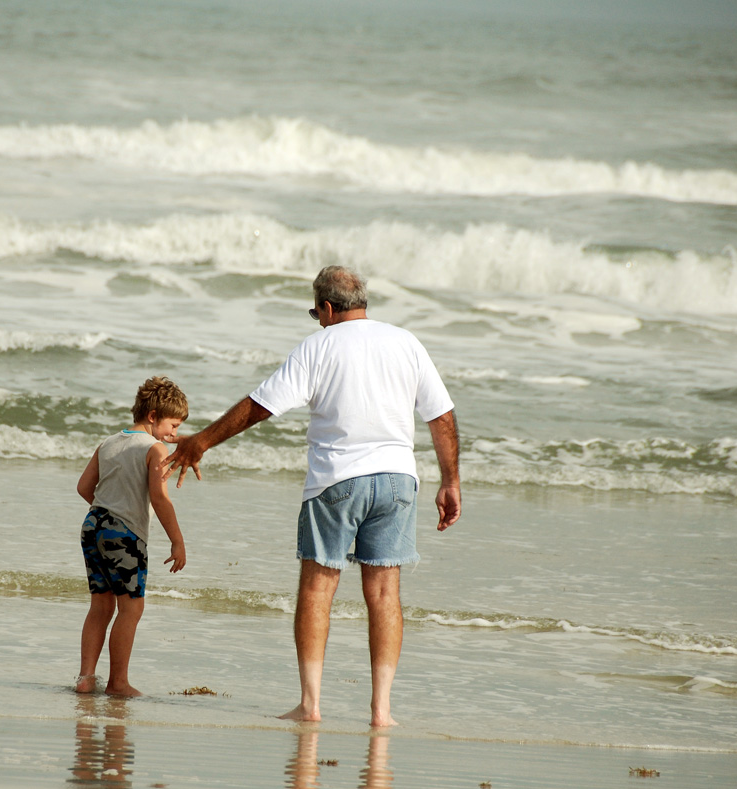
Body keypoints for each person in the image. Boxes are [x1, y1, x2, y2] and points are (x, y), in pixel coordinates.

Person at [164, 266, 460, 727]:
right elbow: (441, 416)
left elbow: (260, 406)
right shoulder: (406, 342)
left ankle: (311, 705)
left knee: (318, 587)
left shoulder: (318, 345)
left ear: (325, 307)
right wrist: (450, 481)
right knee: (384, 592)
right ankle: (382, 711)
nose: (317, 321)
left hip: (336, 481)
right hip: (399, 481)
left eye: (315, 313)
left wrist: (201, 440)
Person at [75, 376, 189, 697]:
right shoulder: (155, 449)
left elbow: (84, 487)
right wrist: (176, 540)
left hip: (92, 526)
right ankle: (118, 683)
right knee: (131, 610)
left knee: (100, 606)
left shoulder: (109, 442)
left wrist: (108, 509)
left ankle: (85, 678)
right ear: (153, 416)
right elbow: (160, 498)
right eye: (173, 425)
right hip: (124, 534)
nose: (175, 434)